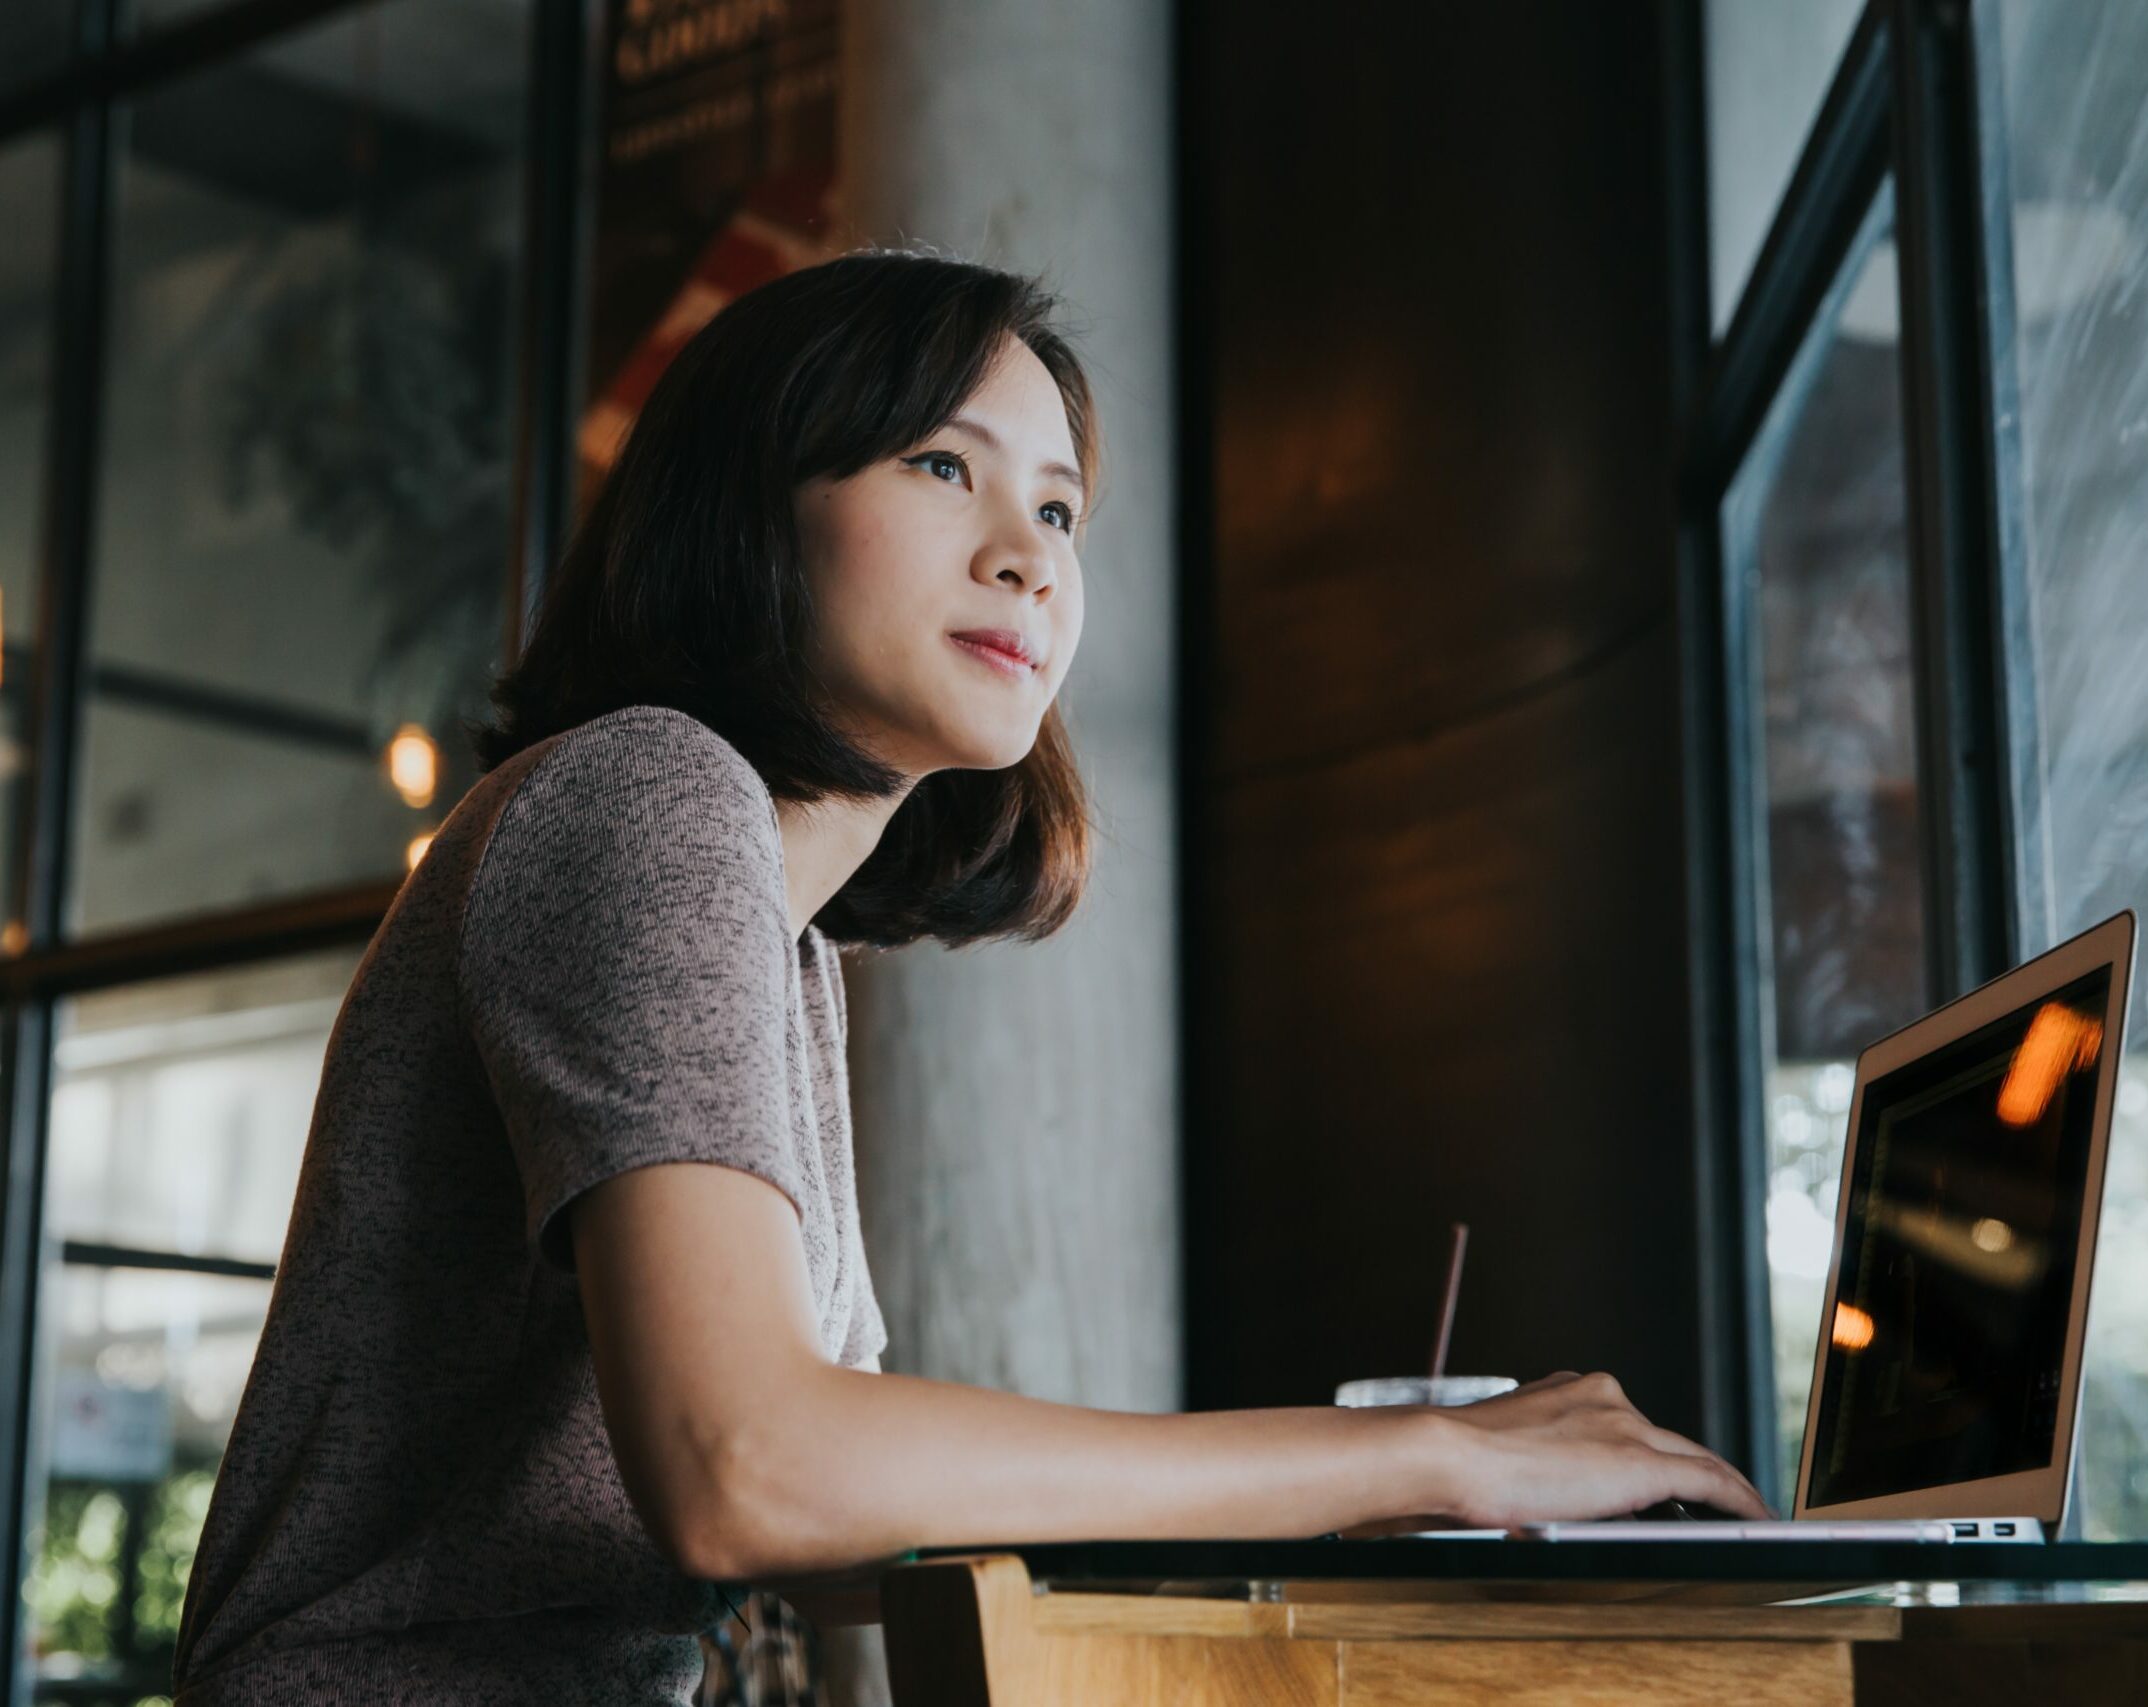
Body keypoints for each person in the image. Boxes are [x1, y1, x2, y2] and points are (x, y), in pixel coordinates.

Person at [169, 250, 1769, 1705]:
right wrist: (1424, 1456)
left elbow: (831, 1520)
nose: (1030, 559)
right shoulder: (646, 795)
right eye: (945, 465)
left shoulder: (786, 949)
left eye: (1061, 511)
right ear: (747, 505)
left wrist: (1387, 1504)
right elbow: (751, 1471)